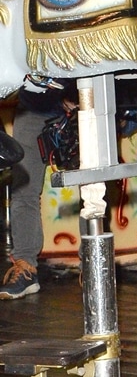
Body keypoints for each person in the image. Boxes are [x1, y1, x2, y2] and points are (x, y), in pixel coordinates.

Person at [0, 76, 78, 299]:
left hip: (83, 102)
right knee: (23, 187)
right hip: (34, 106)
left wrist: (72, 92)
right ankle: (25, 268)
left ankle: (94, 266)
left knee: (93, 185)